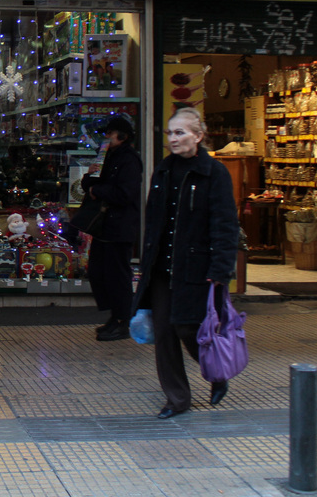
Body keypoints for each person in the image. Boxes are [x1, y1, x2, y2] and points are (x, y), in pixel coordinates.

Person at [133, 107, 239, 419]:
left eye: (180, 133)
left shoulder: (214, 173)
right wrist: (144, 264)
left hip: (197, 269)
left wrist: (221, 269)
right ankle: (177, 399)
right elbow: (153, 222)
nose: (173, 139)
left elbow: (225, 224)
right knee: (164, 332)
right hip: (162, 269)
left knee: (189, 328)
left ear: (199, 136)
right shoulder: (164, 170)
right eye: (170, 133)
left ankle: (217, 373)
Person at [82, 115, 143, 342]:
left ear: (122, 136)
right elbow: (88, 184)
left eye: (110, 133)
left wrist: (98, 191)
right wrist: (91, 176)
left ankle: (123, 321)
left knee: (118, 275)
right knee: (98, 272)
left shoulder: (129, 160)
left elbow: (126, 194)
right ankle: (114, 316)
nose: (106, 137)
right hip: (103, 226)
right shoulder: (107, 156)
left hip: (120, 226)